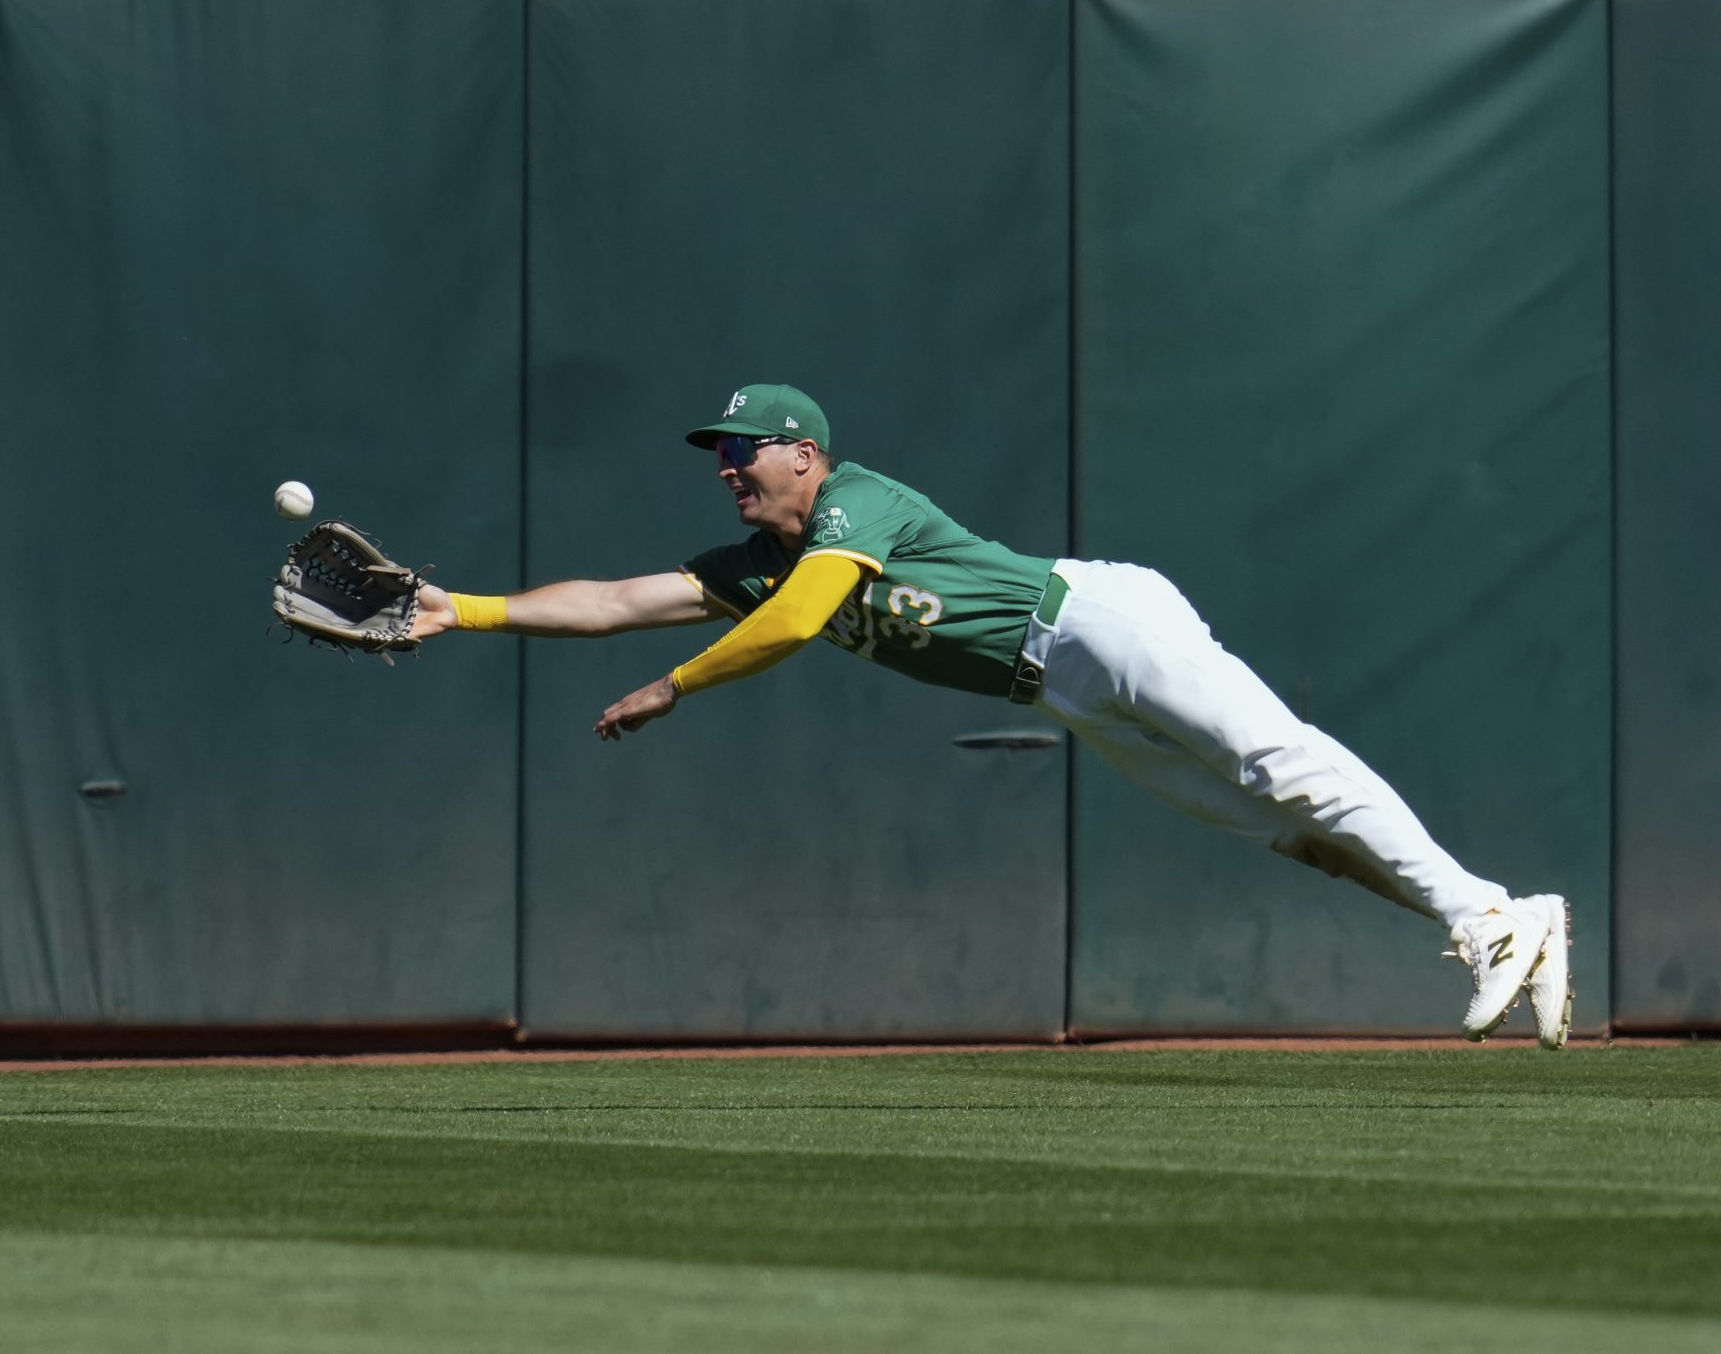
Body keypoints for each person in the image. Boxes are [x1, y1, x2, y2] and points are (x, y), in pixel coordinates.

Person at [410, 384, 1573, 1048]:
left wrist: (677, 684)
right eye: (716, 451)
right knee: (1283, 830)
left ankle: (1481, 916)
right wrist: (461, 609)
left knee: (1277, 760)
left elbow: (804, 617)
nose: (723, 465)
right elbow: (614, 600)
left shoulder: (853, 503)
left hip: (1092, 621)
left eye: (740, 448)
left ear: (804, 456)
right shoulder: (748, 564)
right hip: (1058, 685)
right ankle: (1500, 914)